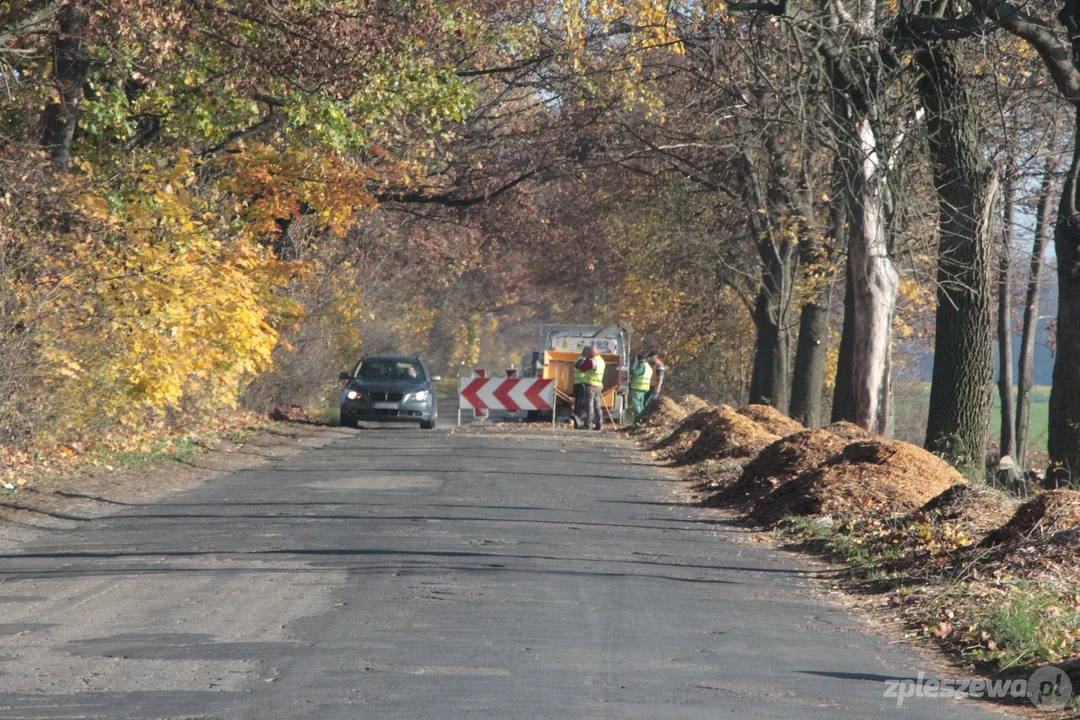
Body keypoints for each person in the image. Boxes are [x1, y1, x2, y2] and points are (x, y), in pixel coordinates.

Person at [572, 346, 605, 430]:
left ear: (591, 353)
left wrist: (586, 359)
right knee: (597, 406)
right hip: (598, 385)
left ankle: (588, 424)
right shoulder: (601, 360)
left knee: (589, 406)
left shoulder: (592, 362)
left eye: (589, 353)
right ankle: (599, 424)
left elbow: (582, 368)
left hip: (591, 386)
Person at [629, 352, 653, 418]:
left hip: (638, 388)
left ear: (639, 360)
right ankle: (642, 418)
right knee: (641, 404)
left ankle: (640, 417)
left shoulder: (641, 366)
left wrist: (631, 369)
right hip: (645, 388)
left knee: (635, 404)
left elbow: (635, 373)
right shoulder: (648, 366)